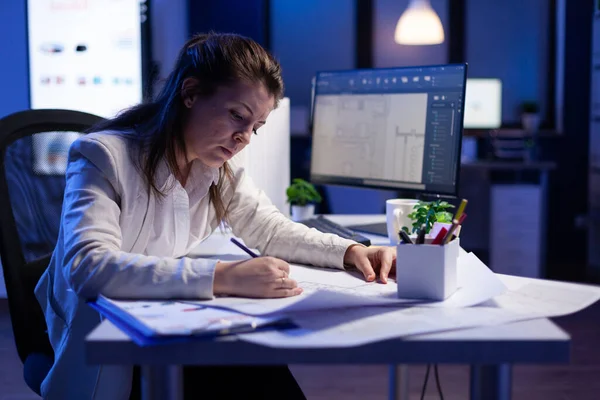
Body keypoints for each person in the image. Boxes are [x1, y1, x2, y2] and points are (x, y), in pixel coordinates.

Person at [34, 32, 397, 400]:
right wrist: (224, 277)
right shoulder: (103, 156)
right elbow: (88, 266)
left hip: (163, 317)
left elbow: (269, 230)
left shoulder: (218, 167)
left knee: (257, 364)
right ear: (190, 93)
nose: (244, 138)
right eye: (237, 116)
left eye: (255, 126)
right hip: (100, 335)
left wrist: (350, 251)